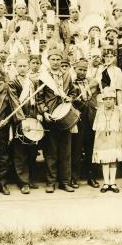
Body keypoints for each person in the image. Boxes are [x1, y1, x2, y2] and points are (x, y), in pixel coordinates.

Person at [37, 47, 75, 193]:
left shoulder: (67, 76)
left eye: (58, 59)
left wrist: (70, 98)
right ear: (48, 60)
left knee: (66, 152)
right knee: (51, 152)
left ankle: (65, 181)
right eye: (53, 59)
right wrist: (45, 112)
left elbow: (72, 91)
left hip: (65, 117)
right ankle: (51, 182)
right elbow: (39, 98)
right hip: (51, 117)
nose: (56, 62)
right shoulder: (43, 77)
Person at [8, 54, 40, 194]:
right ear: (15, 67)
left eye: (24, 66)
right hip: (20, 120)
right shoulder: (12, 83)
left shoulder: (32, 82)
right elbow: (15, 102)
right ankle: (23, 181)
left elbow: (37, 99)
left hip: (33, 118)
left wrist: (38, 113)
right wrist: (22, 120)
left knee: (32, 151)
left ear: (28, 67)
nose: (22, 68)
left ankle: (30, 178)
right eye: (19, 66)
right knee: (20, 152)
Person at [72, 57, 99, 188]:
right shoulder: (71, 83)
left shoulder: (91, 82)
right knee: (76, 151)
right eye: (79, 69)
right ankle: (74, 177)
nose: (82, 72)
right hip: (78, 120)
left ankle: (91, 177)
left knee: (90, 150)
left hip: (91, 121)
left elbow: (96, 90)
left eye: (84, 70)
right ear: (74, 69)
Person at [92, 87, 122, 193]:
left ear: (114, 99)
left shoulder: (119, 110)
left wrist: (121, 139)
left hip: (114, 138)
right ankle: (106, 182)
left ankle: (112, 182)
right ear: (103, 100)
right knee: (105, 160)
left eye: (110, 99)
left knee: (113, 160)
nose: (108, 101)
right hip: (103, 138)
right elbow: (96, 126)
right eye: (106, 99)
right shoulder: (100, 111)